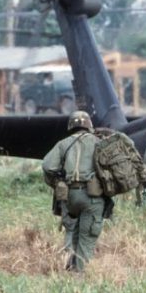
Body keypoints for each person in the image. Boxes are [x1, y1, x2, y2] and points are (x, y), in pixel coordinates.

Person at [42, 110, 104, 272]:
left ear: (71, 126)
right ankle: (80, 278)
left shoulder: (63, 144)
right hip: (92, 196)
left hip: (69, 196)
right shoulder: (98, 142)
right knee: (87, 237)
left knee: (73, 233)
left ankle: (69, 268)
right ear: (89, 124)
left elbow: (48, 166)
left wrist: (57, 182)